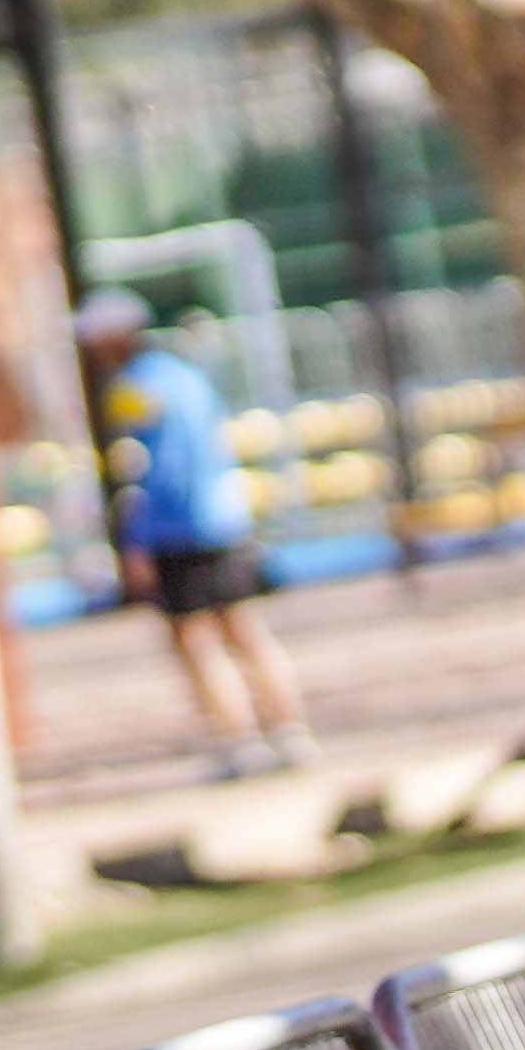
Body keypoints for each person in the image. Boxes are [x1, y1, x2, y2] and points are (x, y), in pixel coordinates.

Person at [81, 289, 312, 778]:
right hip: (224, 516)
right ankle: (290, 729)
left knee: (195, 640)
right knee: (245, 629)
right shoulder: (185, 375)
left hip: (175, 527)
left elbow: (150, 470)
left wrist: (136, 542)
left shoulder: (131, 389)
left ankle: (237, 739)